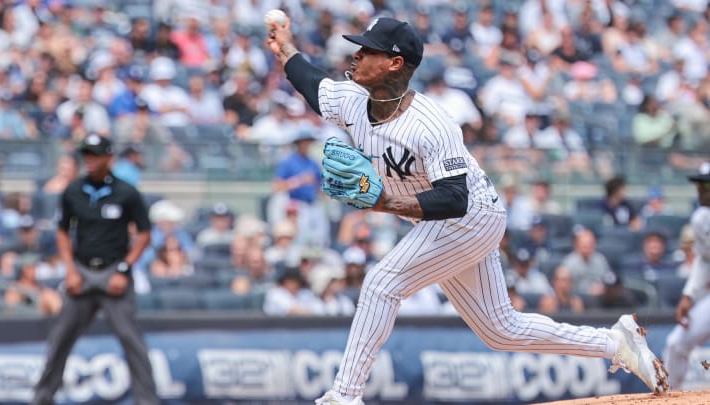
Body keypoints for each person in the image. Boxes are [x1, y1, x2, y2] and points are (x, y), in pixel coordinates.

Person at [266, 15, 667, 404]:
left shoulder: (431, 124)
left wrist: (385, 201)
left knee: (380, 284)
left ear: (394, 63)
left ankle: (345, 396)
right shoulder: (352, 101)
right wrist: (285, 46)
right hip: (442, 223)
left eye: (366, 50)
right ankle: (617, 342)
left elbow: (453, 198)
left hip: (470, 217)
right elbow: (311, 81)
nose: (355, 56)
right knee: (500, 330)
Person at [31, 134, 158, 405]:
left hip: (114, 272)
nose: (89, 160)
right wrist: (70, 270)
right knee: (60, 339)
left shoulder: (126, 192)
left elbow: (145, 233)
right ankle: (42, 398)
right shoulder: (73, 191)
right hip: (82, 272)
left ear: (109, 158)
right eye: (86, 155)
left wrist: (124, 268)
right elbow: (63, 232)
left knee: (130, 339)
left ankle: (147, 400)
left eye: (95, 155)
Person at [664, 162, 710, 390]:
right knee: (676, 344)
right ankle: (669, 397)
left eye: (707, 184)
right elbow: (703, 260)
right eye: (700, 183)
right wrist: (689, 295)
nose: (701, 189)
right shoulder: (701, 219)